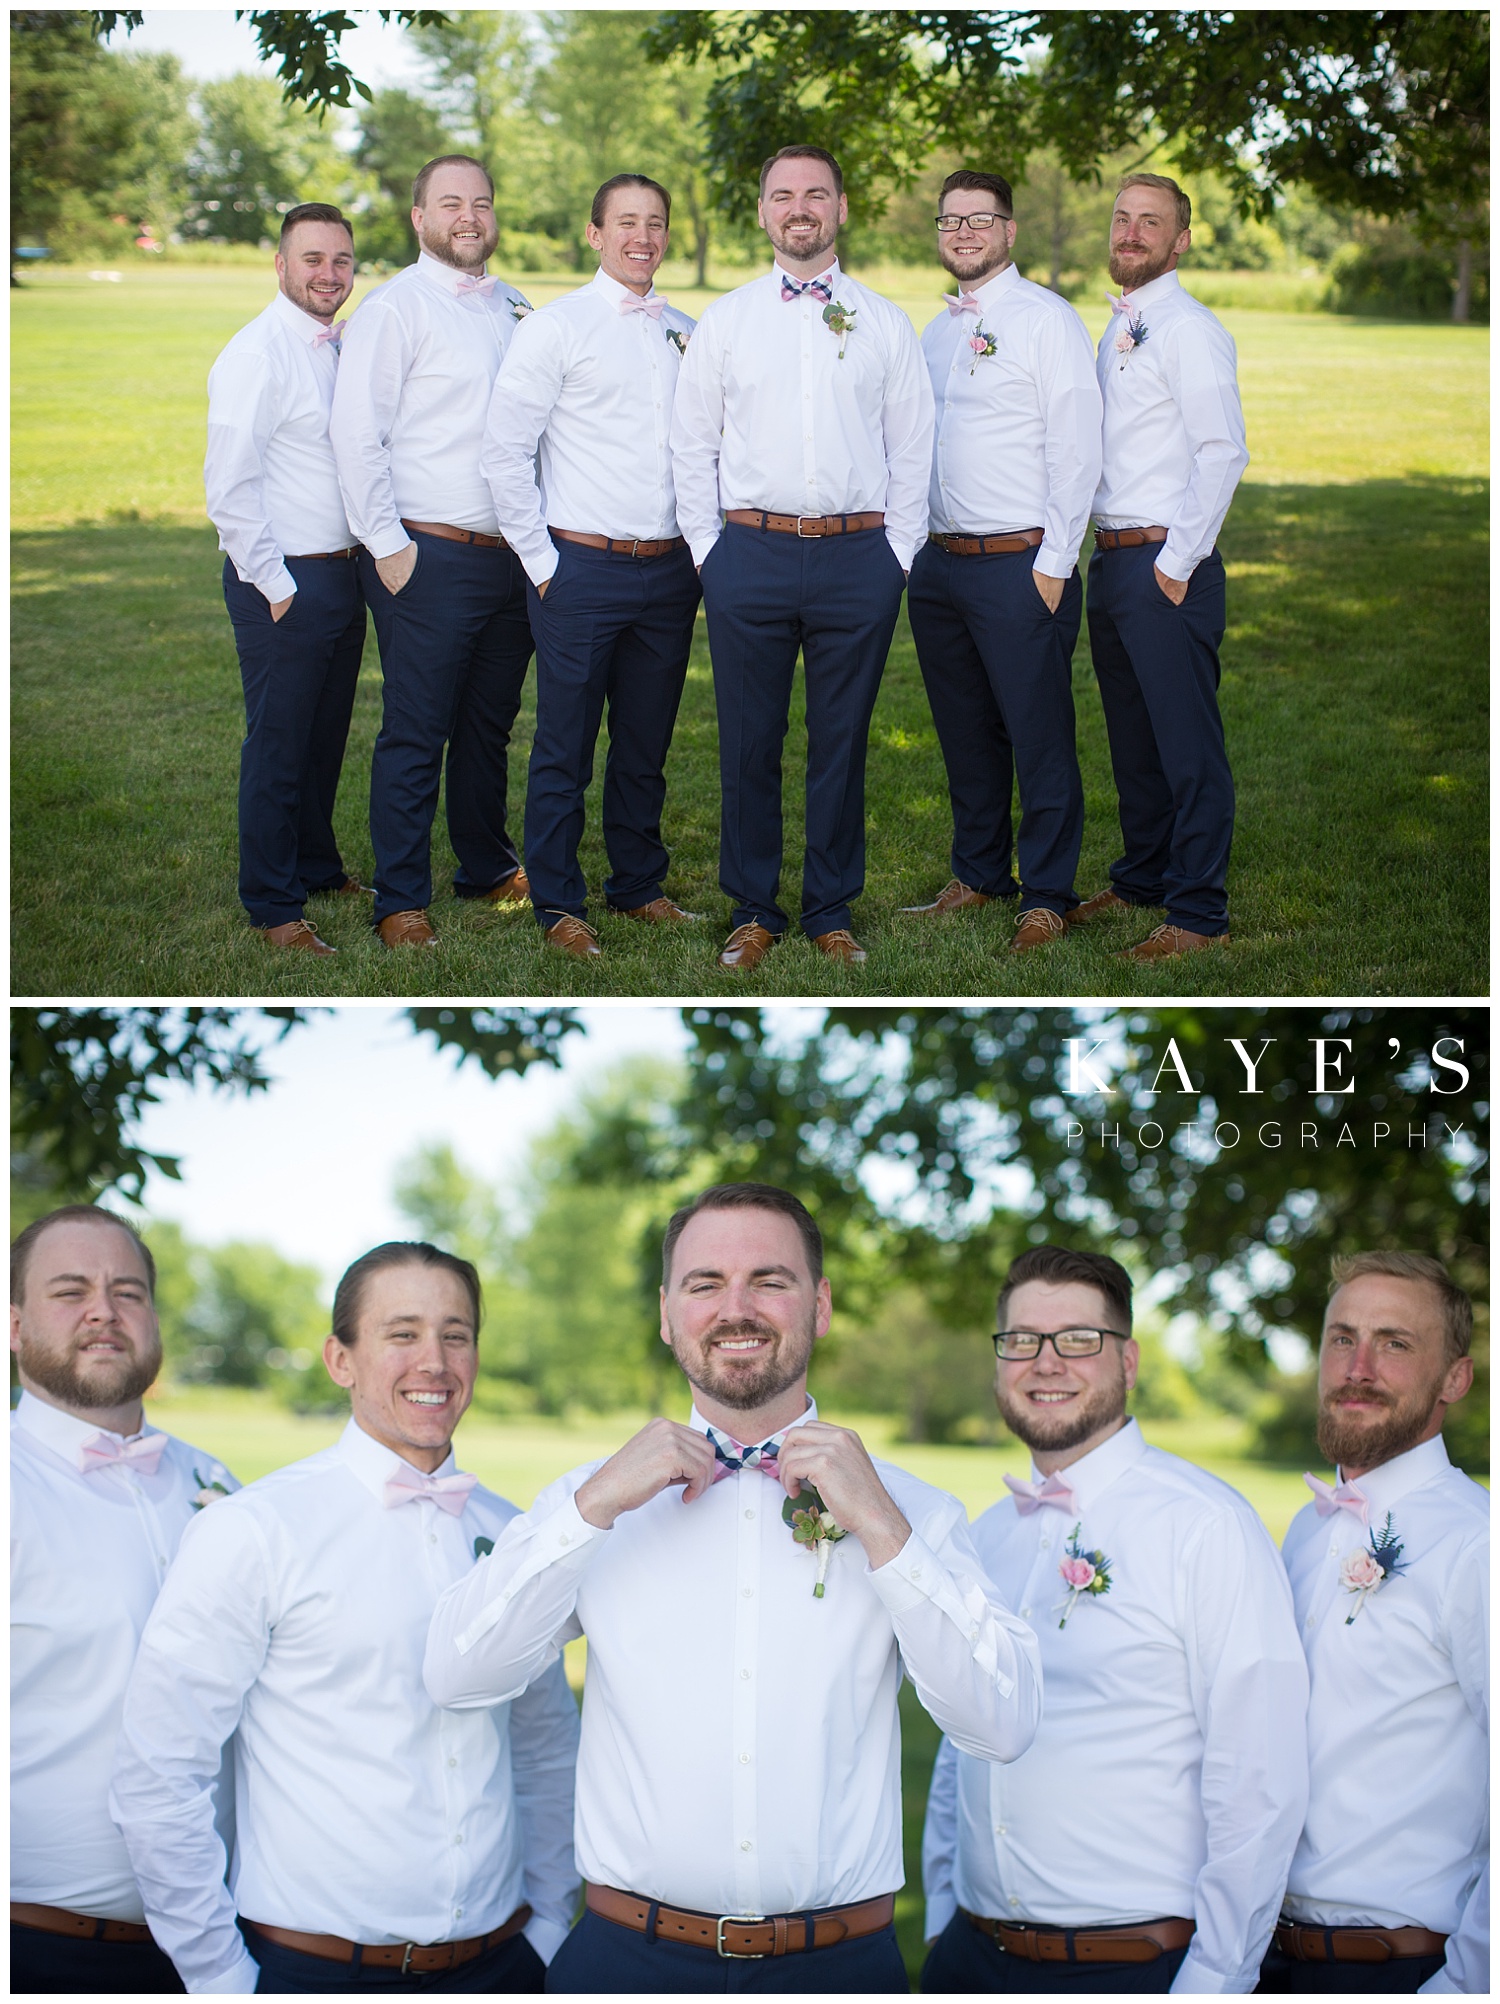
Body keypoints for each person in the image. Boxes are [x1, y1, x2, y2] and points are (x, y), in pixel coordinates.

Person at [426, 1182, 1041, 1993]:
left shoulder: (912, 1511)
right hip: (626, 1961)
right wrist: (592, 1509)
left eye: (770, 1282)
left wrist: (887, 1535)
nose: (736, 1308)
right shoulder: (590, 1502)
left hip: (841, 1969)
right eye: (705, 1283)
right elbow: (458, 1675)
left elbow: (1002, 1724)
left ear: (819, 1306)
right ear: (666, 1311)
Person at [110, 1242, 580, 1994]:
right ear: (341, 1359)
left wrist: (551, 1926)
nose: (433, 1360)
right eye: (402, 1334)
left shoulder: (514, 1533)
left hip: (501, 1966)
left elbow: (547, 1746)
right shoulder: (256, 1528)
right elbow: (159, 1774)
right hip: (313, 1971)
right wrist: (221, 1979)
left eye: (455, 1335)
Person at [921, 1244, 1308, 1993]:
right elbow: (957, 1742)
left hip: (1132, 1968)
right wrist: (941, 1916)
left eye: (1078, 1340)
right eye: (1022, 1341)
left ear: (1127, 1361)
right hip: (970, 1959)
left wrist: (1216, 1980)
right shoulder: (985, 1532)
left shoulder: (1204, 1526)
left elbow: (1259, 1778)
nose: (1046, 1361)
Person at [671, 147, 935, 971]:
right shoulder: (727, 319)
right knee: (748, 740)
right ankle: (754, 908)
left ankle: (829, 907)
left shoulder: (884, 320)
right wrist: (710, 552)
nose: (799, 208)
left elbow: (914, 448)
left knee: (841, 738)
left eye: (815, 194)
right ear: (762, 213)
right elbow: (692, 443)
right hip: (747, 552)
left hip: (859, 556)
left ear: (841, 208)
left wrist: (897, 555)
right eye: (782, 195)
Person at [10, 1205, 238, 1995]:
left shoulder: (222, 1488)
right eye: (70, 1291)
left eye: (128, 1292)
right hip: (37, 1949)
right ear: (12, 1324)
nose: (104, 1310)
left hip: (217, 1945)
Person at [483, 173, 701, 960]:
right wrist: (543, 563)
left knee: (645, 742)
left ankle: (638, 885)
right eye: (627, 222)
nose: (642, 236)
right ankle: (557, 900)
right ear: (595, 234)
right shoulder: (555, 327)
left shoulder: (686, 329)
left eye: (656, 222)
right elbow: (504, 452)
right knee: (565, 744)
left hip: (672, 571)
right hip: (579, 567)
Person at [1263, 1253, 1487, 1995]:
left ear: (1455, 1378)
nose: (1358, 1366)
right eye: (1341, 1338)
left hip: (1404, 1969)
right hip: (1267, 1959)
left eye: (1394, 1343)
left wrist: (1464, 1988)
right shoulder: (1304, 1528)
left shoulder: (1476, 1545)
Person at [330, 155, 536, 949]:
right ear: (419, 217)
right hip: (428, 553)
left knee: (489, 724)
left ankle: (485, 865)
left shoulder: (516, 305)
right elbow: (357, 433)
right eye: (451, 204)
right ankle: (399, 897)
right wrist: (388, 546)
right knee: (417, 729)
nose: (469, 217)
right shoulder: (394, 310)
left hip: (510, 554)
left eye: (481, 203)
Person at [902, 170, 1101, 954]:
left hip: (1022, 564)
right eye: (951, 220)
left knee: (1039, 733)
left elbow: (1077, 449)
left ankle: (1047, 894)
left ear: (1009, 231)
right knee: (966, 732)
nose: (963, 232)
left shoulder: (1048, 321)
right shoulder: (938, 330)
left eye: (979, 219)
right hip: (942, 565)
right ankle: (980, 873)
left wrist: (1055, 562)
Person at [1073, 173, 1249, 960]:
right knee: (1134, 741)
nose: (1131, 233)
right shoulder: (1119, 325)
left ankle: (1198, 913)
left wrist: (1175, 566)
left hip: (1164, 565)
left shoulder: (1188, 329)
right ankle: (1143, 875)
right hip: (1112, 561)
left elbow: (1223, 451)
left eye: (1151, 223)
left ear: (1181, 241)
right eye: (1122, 219)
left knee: (1186, 747)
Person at [205, 201, 367, 956]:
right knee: (277, 746)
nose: (328, 274)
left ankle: (316, 865)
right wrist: (276, 586)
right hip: (283, 579)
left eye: (340, 260)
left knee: (323, 738)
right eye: (312, 259)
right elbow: (229, 490)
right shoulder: (256, 354)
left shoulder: (341, 346)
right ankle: (273, 905)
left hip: (342, 574)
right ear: (281, 265)